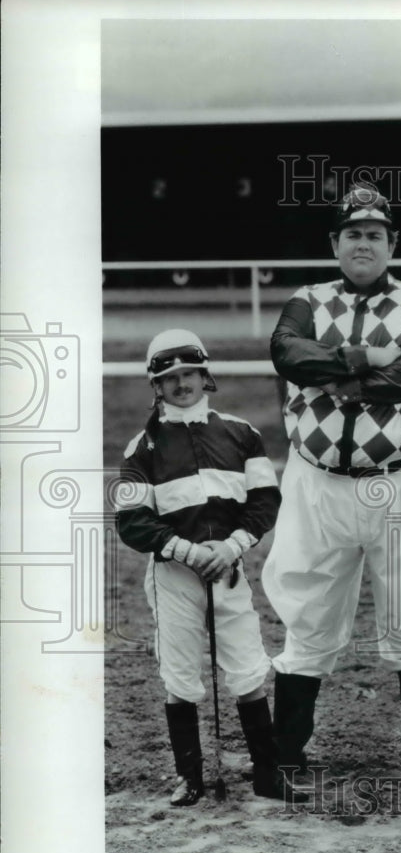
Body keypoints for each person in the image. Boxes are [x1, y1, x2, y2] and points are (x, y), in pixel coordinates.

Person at [262, 183, 401, 786]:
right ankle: (288, 751)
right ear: (335, 243)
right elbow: (287, 353)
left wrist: (349, 384)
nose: (363, 243)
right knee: (308, 607)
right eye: (353, 233)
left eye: (375, 234)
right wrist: (365, 361)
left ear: (392, 243)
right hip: (319, 483)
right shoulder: (307, 299)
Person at [115, 328, 304, 805]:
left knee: (247, 668)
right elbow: (132, 523)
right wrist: (186, 550)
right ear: (156, 385)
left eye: (189, 374)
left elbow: (264, 502)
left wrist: (231, 547)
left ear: (205, 375)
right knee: (179, 674)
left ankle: (267, 773)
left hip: (228, 570)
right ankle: (190, 776)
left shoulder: (242, 433)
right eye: (170, 378)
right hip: (175, 575)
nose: (181, 385)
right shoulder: (141, 448)